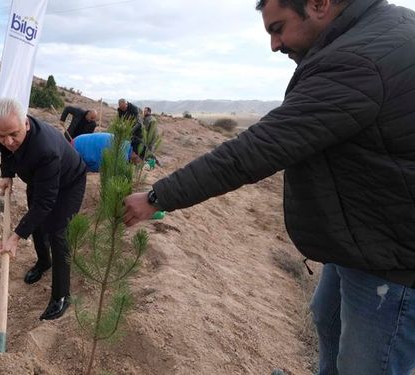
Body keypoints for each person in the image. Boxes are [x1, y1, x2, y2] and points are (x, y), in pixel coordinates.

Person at [123, 0, 415, 374]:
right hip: (366, 237)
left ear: (320, 4)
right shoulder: (378, 30)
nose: (274, 45)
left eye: (278, 28)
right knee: (327, 320)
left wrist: (156, 197)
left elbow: (254, 151)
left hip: (392, 261)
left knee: (368, 363)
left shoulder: (359, 60)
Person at [0, 97, 87, 321]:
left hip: (70, 182)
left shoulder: (45, 149)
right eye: (1, 135)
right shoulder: (7, 131)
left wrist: (15, 237)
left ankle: (61, 296)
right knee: (36, 225)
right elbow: (5, 150)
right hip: (40, 179)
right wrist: (7, 173)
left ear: (25, 123)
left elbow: (46, 202)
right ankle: (44, 261)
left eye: (13, 134)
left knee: (57, 232)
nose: (8, 141)